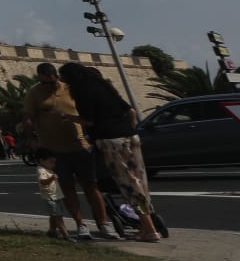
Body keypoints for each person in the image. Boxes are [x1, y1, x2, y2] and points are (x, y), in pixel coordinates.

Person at [60, 62, 162, 242]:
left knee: (129, 185)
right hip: (131, 138)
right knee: (140, 182)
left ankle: (150, 229)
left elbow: (89, 122)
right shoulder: (105, 87)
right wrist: (130, 130)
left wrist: (69, 117)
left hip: (111, 141)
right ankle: (148, 227)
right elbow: (130, 111)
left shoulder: (83, 93)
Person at [25, 61, 116, 240]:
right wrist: (31, 138)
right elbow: (28, 116)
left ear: (56, 76)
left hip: (80, 146)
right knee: (67, 189)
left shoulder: (71, 88)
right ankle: (81, 224)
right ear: (39, 78)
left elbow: (88, 111)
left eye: (52, 81)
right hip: (54, 150)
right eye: (45, 82)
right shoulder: (34, 93)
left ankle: (104, 224)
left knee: (91, 186)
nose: (50, 86)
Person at [34, 148, 86, 241]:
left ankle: (52, 231)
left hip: (56, 196)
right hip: (50, 197)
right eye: (51, 162)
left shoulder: (48, 169)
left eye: (54, 162)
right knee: (58, 216)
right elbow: (43, 182)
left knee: (54, 215)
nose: (53, 165)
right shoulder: (41, 170)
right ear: (42, 160)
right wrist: (52, 178)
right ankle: (66, 235)